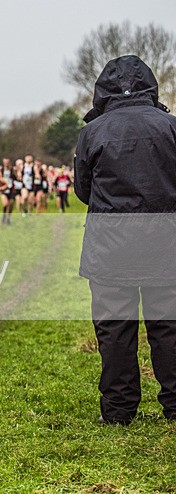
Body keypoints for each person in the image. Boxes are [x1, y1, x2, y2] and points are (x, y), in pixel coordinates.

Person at [74, 55, 176, 426]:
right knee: (169, 326)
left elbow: (83, 189)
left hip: (111, 245)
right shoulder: (171, 127)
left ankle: (118, 410)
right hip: (165, 241)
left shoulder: (92, 132)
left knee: (115, 329)